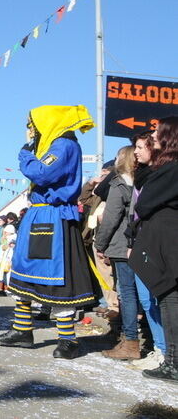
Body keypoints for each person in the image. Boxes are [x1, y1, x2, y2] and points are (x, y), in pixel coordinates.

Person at [0, 105, 100, 359]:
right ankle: (22, 330)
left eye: (32, 124)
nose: (30, 130)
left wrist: (25, 155)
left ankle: (68, 340)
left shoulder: (64, 145)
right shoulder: (53, 145)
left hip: (53, 216)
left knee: (56, 279)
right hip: (38, 215)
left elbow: (41, 173)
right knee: (24, 274)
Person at [130, 117, 178, 381]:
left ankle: (174, 362)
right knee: (168, 299)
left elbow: (144, 203)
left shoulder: (171, 170)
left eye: (159, 133)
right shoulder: (166, 168)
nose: (154, 136)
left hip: (169, 243)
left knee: (171, 300)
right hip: (164, 241)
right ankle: (172, 360)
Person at [125, 131, 167, 370]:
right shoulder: (140, 176)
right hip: (138, 241)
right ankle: (159, 348)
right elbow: (134, 214)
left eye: (141, 147)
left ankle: (165, 351)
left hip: (154, 243)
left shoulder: (160, 177)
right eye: (136, 147)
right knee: (145, 299)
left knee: (156, 299)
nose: (137, 151)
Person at [95, 145, 141, 360]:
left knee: (126, 293)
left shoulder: (119, 183)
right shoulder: (142, 182)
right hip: (140, 243)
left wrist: (100, 244)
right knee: (139, 294)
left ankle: (130, 340)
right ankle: (137, 337)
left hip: (121, 245)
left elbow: (111, 218)